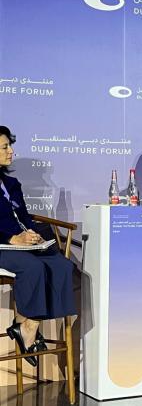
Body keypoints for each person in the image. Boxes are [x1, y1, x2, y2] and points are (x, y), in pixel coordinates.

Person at [0, 125, 75, 366]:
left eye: (9, 146)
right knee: (32, 267)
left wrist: (33, 235)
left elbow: (23, 218)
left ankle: (27, 325)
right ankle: (27, 327)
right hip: (3, 246)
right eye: (4, 147)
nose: (10, 151)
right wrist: (11, 239)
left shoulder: (11, 183)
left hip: (21, 244)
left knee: (62, 266)